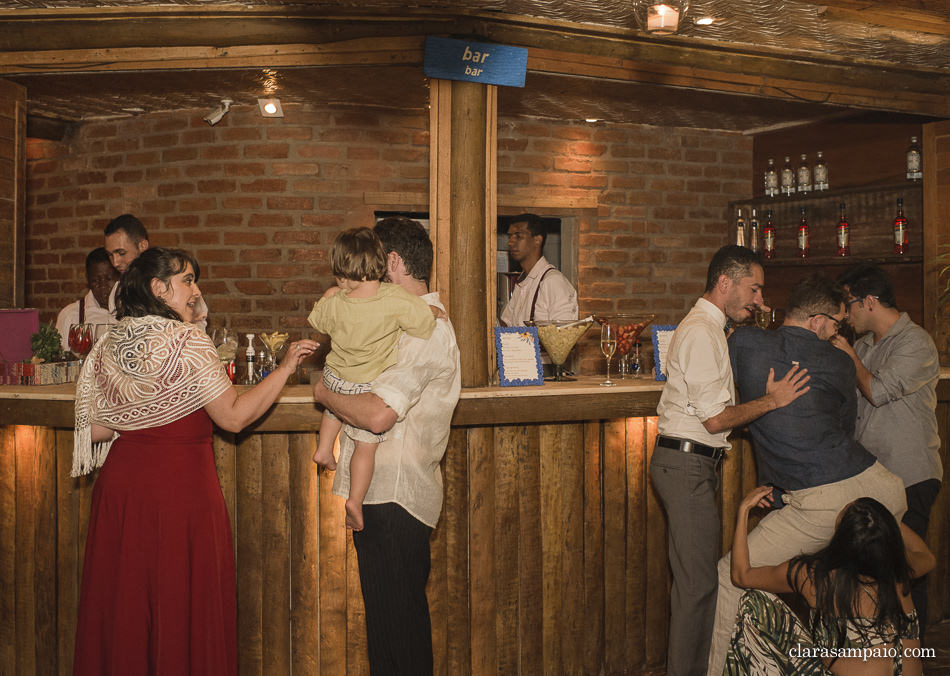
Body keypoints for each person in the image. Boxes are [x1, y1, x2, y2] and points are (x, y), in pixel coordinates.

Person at [71, 247, 318, 675]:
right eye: (187, 279)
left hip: (122, 491)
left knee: (125, 606)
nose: (196, 289)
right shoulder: (188, 341)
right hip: (179, 492)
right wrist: (285, 367)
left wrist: (143, 415)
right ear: (158, 288)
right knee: (181, 603)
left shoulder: (111, 341)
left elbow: (96, 429)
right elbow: (234, 417)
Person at [708, 274, 908, 674]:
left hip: (824, 501)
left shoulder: (744, 342)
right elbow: (840, 429)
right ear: (816, 321)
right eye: (836, 323)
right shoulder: (837, 361)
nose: (838, 333)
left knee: (729, 578)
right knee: (876, 583)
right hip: (882, 489)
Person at [650, 244, 810, 676]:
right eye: (754, 289)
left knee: (696, 584)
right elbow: (718, 418)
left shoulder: (712, 328)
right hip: (685, 465)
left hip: (692, 465)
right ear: (726, 283)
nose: (760, 300)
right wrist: (772, 402)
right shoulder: (702, 331)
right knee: (697, 587)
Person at [311, 216, 460, 675]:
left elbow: (378, 413)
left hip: (396, 495)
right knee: (388, 634)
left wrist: (323, 392)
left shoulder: (426, 328)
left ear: (391, 262)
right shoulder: (390, 318)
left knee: (400, 639)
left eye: (374, 265)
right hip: (381, 494)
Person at [307, 226, 440, 532]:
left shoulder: (337, 301)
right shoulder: (393, 298)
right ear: (381, 263)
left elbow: (317, 320)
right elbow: (421, 326)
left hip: (335, 376)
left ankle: (325, 448)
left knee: (332, 406)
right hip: (364, 385)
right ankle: (355, 499)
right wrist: (430, 312)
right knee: (365, 447)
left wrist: (331, 295)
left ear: (341, 274)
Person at [833, 264, 942, 635]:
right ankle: (879, 653)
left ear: (869, 302)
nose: (845, 314)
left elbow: (878, 392)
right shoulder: (864, 346)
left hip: (910, 473)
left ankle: (912, 656)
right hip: (872, 474)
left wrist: (847, 355)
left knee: (906, 570)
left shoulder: (916, 342)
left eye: (849, 304)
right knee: (874, 571)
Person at [725, 485, 935, 675]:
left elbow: (741, 575)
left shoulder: (815, 577)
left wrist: (744, 510)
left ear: (842, 537)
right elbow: (928, 557)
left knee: (753, 602)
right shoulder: (898, 574)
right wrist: (883, 522)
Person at [104, 213, 209, 330]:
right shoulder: (118, 290)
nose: (115, 262)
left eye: (121, 253)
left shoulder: (180, 285)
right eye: (110, 255)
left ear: (143, 245)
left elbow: (198, 331)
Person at [499, 213, 577, 327]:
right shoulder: (522, 283)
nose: (510, 242)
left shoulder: (553, 281)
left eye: (518, 236)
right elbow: (507, 327)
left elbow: (564, 337)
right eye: (510, 236)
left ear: (537, 240)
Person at [55, 247, 118, 351]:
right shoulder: (70, 315)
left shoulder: (133, 310)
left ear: (119, 277)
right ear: (87, 279)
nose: (103, 286)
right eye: (96, 281)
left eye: (109, 279)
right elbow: (61, 360)